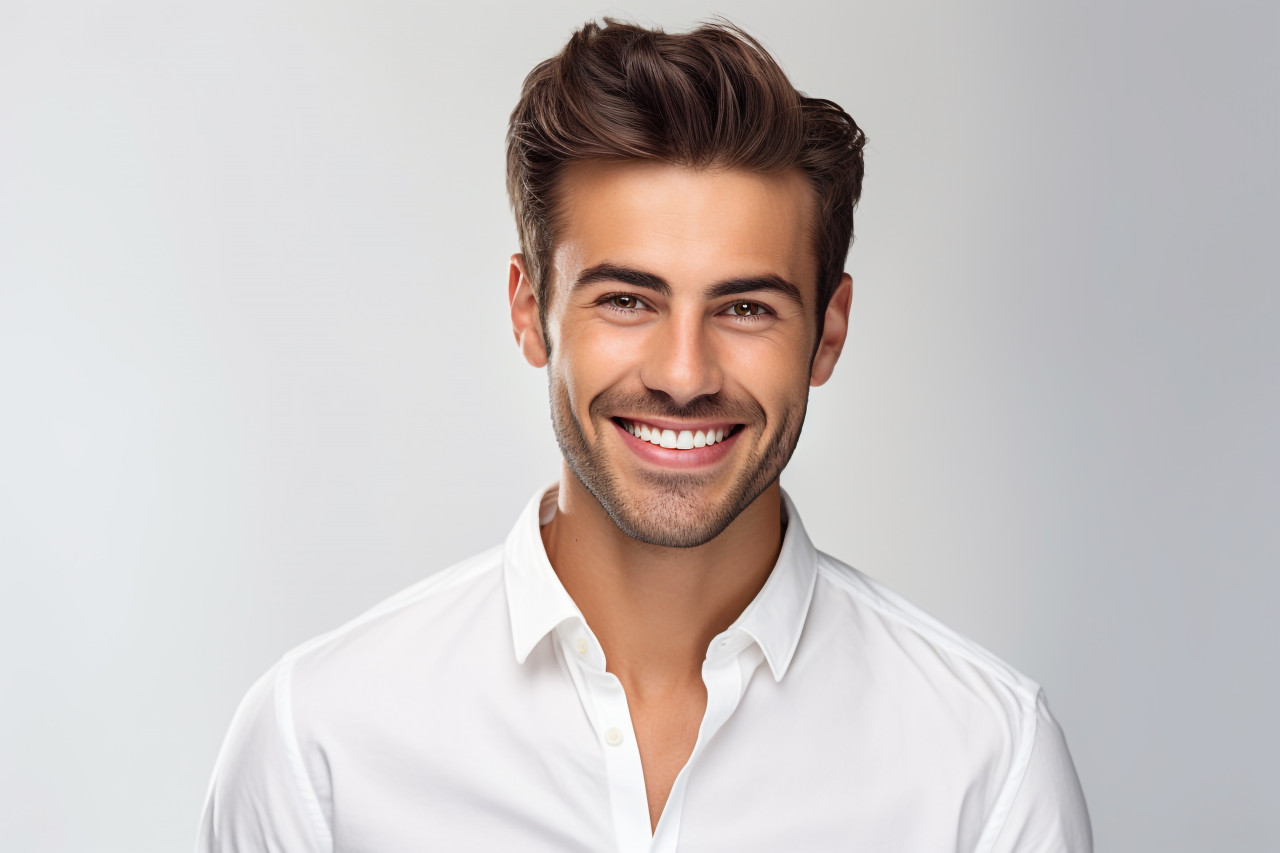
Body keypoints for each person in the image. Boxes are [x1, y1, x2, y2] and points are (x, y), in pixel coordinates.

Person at [198, 19, 1092, 853]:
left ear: (827, 331)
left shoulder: (985, 762)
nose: (683, 372)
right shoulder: (319, 747)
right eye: (627, 299)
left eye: (746, 307)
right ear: (529, 311)